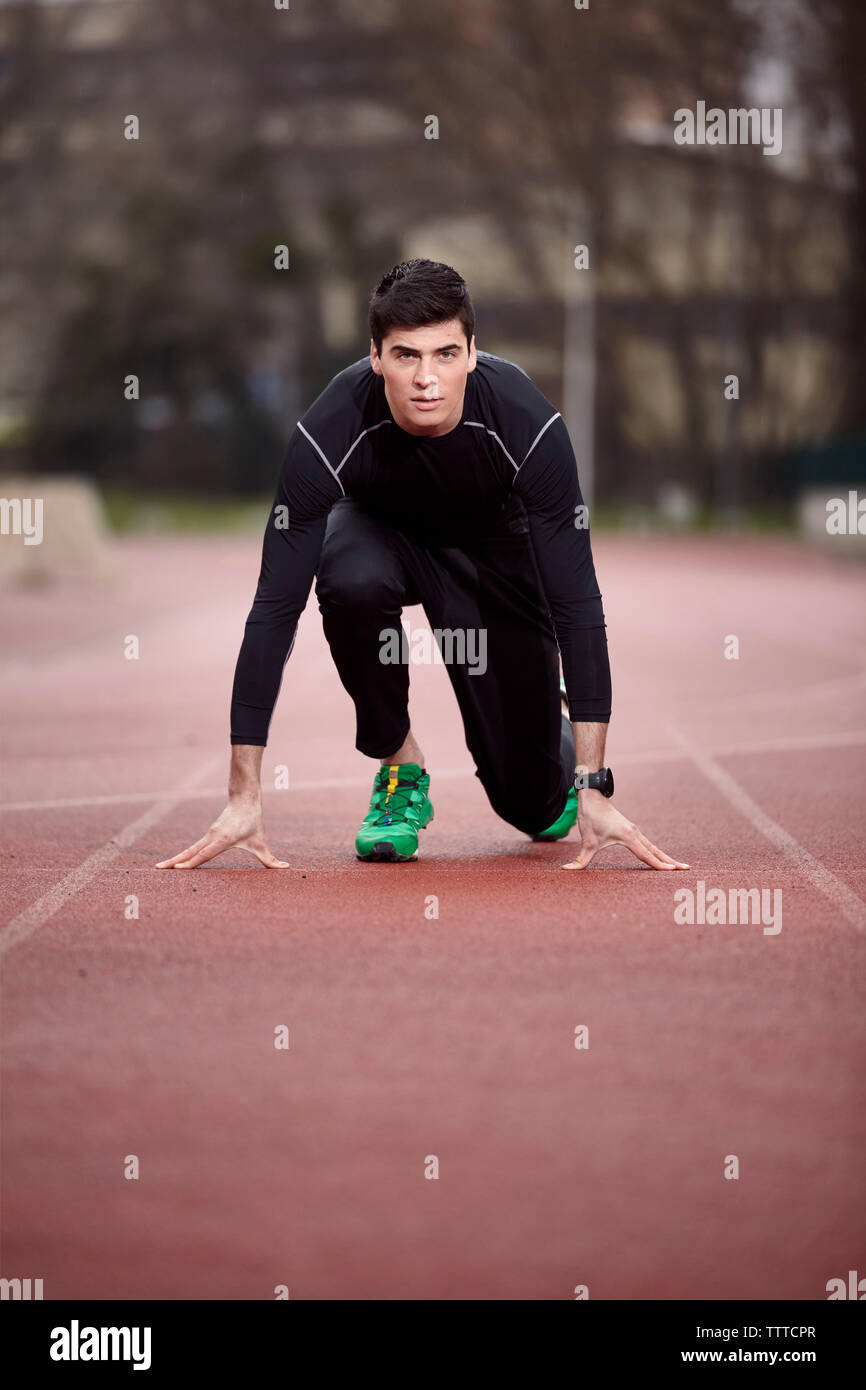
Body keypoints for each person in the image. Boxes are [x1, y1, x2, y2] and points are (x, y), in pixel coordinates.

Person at [157, 260, 688, 873]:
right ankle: (399, 768)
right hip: (383, 536)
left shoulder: (527, 425)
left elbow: (578, 603)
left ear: (472, 354)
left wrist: (592, 785)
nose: (427, 380)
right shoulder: (331, 428)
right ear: (375, 357)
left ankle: (552, 721)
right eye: (406, 356)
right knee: (350, 578)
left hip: (494, 556)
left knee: (536, 809)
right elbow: (274, 608)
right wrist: (243, 791)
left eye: (445, 355)